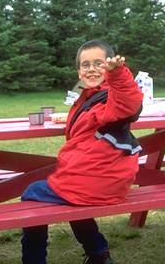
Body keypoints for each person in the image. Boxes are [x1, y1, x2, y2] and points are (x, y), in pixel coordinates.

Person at [21, 39, 143, 264]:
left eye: (99, 63)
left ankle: (34, 259)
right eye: (85, 65)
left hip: (96, 182)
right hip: (105, 181)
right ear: (78, 71)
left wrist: (118, 74)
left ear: (109, 67)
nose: (92, 69)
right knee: (69, 198)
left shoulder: (111, 98)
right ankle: (98, 252)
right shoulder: (89, 95)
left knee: (32, 193)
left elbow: (129, 102)